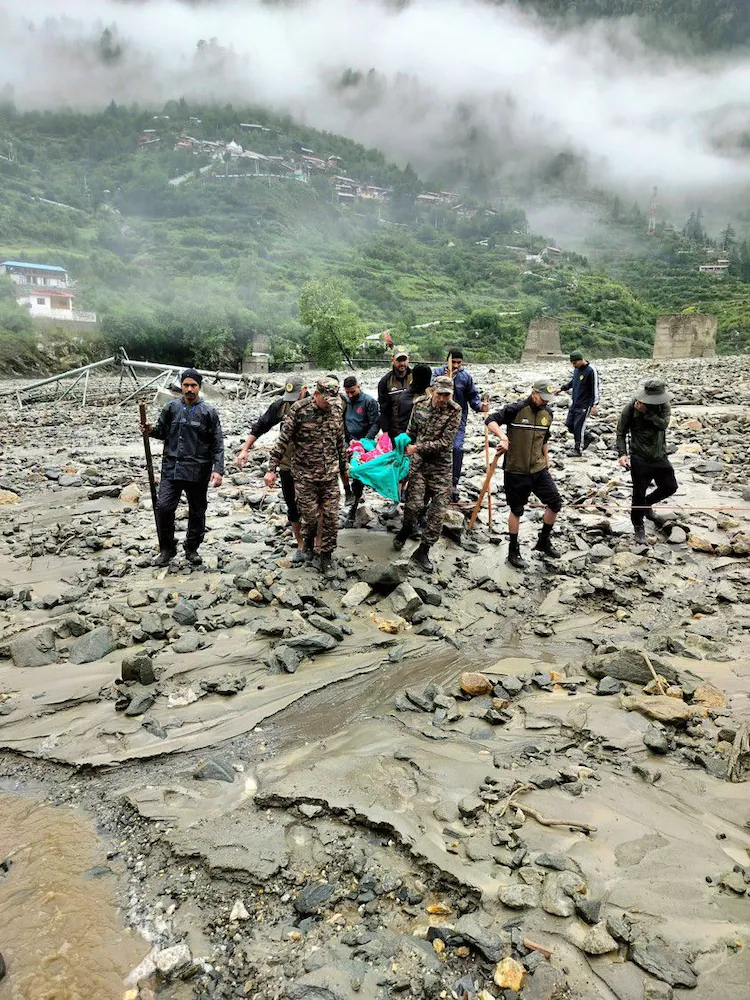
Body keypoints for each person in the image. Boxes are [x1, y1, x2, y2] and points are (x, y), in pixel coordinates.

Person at [141, 368, 224, 567]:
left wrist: (218, 469)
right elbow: (162, 432)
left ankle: (192, 548)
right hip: (172, 468)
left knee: (197, 511)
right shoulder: (171, 408)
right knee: (163, 508)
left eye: (193, 386)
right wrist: (150, 430)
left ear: (199, 387)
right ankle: (167, 548)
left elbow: (217, 443)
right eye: (186, 385)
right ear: (181, 386)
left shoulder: (208, 412)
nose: (189, 389)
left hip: (198, 470)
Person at [265, 377, 347, 576]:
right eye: (326, 399)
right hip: (305, 475)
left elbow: (339, 442)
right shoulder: (299, 410)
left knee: (331, 518)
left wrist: (344, 468)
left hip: (329, 476)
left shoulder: (336, 410)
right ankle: (308, 546)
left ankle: (326, 556)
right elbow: (282, 440)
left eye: (332, 400)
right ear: (316, 394)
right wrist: (271, 468)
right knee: (309, 517)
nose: (329, 404)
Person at [485, 379, 563, 569]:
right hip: (515, 470)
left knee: (555, 503)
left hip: (539, 469)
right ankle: (513, 550)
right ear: (533, 392)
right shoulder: (517, 409)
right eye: (541, 398)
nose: (544, 402)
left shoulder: (548, 414)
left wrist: (547, 463)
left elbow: (544, 440)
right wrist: (503, 437)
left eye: (547, 399)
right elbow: (490, 420)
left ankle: (543, 541)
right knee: (516, 509)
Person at [392, 375, 461, 571]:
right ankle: (405, 530)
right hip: (419, 466)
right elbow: (411, 430)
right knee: (413, 506)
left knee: (437, 513)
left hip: (441, 468)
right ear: (432, 391)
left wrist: (417, 447)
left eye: (447, 395)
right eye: (440, 394)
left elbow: (445, 443)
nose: (442, 399)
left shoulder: (454, 411)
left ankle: (423, 551)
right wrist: (403, 441)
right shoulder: (420, 404)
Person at [236, 376, 306, 549]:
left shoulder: (316, 404)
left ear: (305, 389)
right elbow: (260, 426)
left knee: (315, 505)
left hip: (312, 464)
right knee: (292, 504)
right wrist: (245, 449)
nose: (293, 401)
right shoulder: (281, 406)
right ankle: (300, 544)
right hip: (287, 463)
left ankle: (317, 543)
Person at [616, 378, 677, 545]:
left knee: (670, 487)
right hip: (639, 458)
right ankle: (638, 526)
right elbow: (621, 431)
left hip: (659, 456)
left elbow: (663, 425)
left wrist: (647, 413)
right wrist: (622, 454)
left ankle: (647, 504)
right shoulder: (631, 407)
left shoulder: (664, 406)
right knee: (638, 494)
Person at [431, 349, 487, 500]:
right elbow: (430, 391)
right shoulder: (437, 373)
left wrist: (480, 406)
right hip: (437, 419)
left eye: (459, 363)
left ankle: (453, 484)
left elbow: (473, 397)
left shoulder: (465, 376)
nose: (456, 365)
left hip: (458, 420)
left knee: (456, 448)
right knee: (436, 449)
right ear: (447, 360)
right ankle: (434, 483)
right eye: (453, 362)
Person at [342, 375, 381, 527]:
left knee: (358, 475)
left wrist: (364, 441)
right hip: (347, 441)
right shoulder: (345, 402)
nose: (350, 395)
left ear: (359, 387)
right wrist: (347, 440)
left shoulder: (369, 401)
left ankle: (353, 508)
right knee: (342, 467)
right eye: (348, 393)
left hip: (364, 442)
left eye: (353, 392)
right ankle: (348, 493)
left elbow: (375, 424)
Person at [558, 350, 600, 456]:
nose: (573, 365)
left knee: (578, 426)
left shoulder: (591, 370)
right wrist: (562, 389)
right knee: (569, 424)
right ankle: (587, 436)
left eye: (575, 363)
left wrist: (594, 405)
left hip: (585, 404)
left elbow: (595, 388)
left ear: (581, 360)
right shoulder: (577, 370)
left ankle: (578, 449)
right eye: (572, 363)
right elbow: (573, 382)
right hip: (575, 402)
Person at [377, 346, 413, 439]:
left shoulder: (415, 378)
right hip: (394, 431)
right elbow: (383, 409)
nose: (402, 364)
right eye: (399, 360)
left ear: (409, 359)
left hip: (413, 429)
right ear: (392, 360)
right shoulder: (385, 381)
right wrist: (385, 431)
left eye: (404, 360)